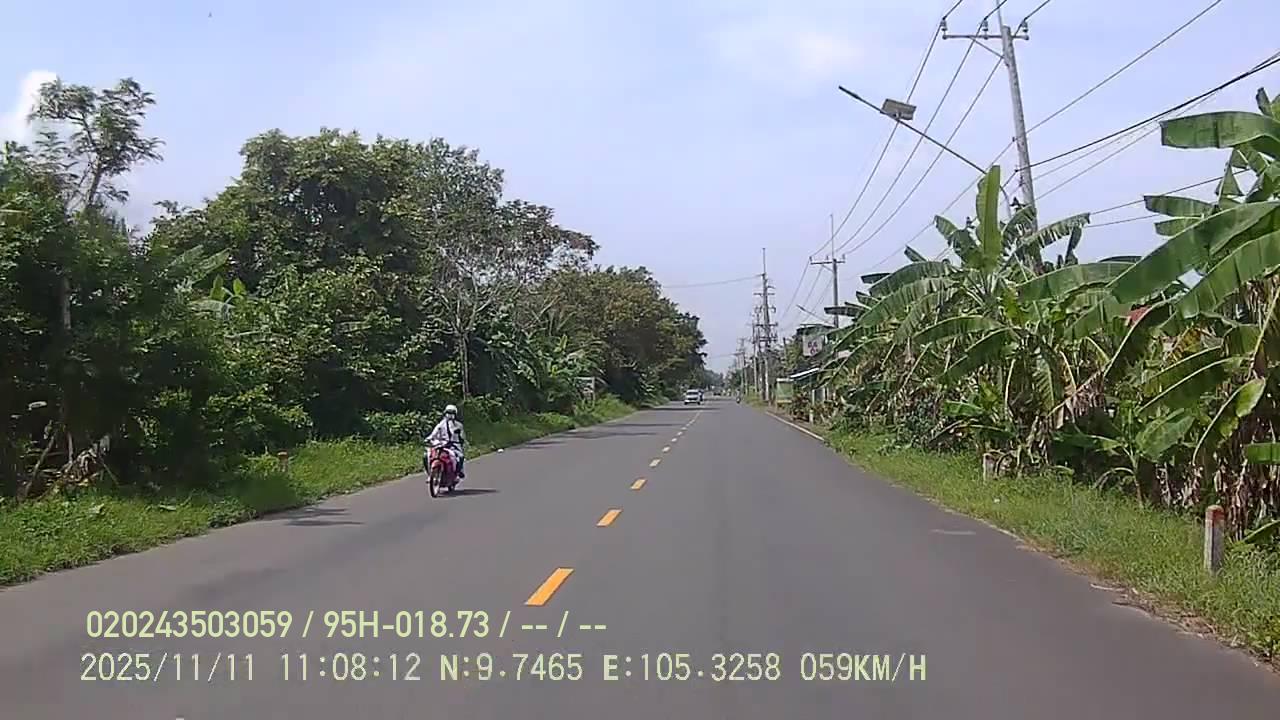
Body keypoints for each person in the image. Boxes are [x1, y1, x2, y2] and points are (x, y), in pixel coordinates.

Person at [427, 404, 466, 479]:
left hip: (453, 446)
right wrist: (428, 439)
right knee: (427, 455)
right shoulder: (441, 424)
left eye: (452, 413)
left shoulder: (459, 425)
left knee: (460, 457)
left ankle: (457, 473)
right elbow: (434, 433)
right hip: (440, 444)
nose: (450, 415)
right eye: (448, 413)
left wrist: (459, 437)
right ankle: (430, 474)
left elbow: (462, 437)